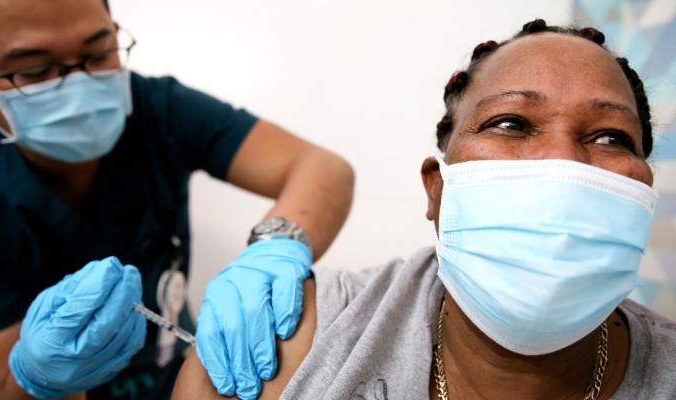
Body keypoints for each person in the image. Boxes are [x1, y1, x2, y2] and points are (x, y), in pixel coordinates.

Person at [171, 19, 676, 399]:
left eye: (610, 137)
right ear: (437, 192)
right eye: (511, 124)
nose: (563, 163)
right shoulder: (284, 341)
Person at [0, 0, 354, 399]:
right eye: (33, 70)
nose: (77, 84)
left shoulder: (157, 109)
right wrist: (38, 380)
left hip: (174, 375)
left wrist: (276, 247)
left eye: (98, 53)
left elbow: (321, 168)